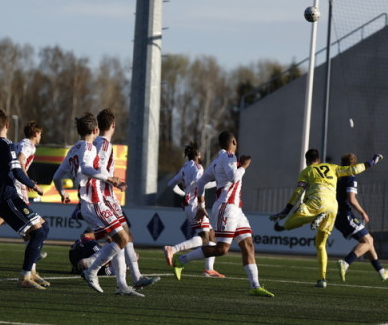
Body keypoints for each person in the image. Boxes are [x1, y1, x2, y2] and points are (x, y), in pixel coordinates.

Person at [165, 131, 275, 297]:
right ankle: (182, 260)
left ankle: (255, 286)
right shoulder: (229, 156)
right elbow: (232, 177)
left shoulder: (217, 161)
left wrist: (201, 205)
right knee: (222, 249)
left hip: (236, 209)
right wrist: (243, 166)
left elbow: (201, 182)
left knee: (248, 245)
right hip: (226, 207)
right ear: (233, 141)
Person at [52, 112, 144, 297]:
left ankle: (121, 284)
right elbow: (86, 169)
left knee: (118, 239)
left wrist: (62, 192)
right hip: (94, 202)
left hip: (90, 202)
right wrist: (111, 178)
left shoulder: (72, 150)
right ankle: (91, 271)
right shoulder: (89, 148)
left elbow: (56, 176)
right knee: (123, 239)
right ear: (95, 130)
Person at [271, 148, 383, 288]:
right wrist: (371, 163)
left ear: (307, 161)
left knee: (288, 224)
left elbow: (299, 191)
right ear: (319, 160)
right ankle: (322, 279)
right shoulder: (333, 167)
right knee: (321, 245)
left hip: (316, 203)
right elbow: (353, 170)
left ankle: (314, 218)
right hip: (332, 208)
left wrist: (286, 210)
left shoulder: (306, 172)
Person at [0, 108, 50, 290]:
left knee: (43, 227)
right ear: (7, 125)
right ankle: (24, 276)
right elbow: (17, 171)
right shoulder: (7, 145)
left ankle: (31, 272)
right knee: (38, 233)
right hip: (9, 197)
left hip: (1, 197)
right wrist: (34, 186)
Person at [93, 109, 159, 290]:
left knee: (124, 235)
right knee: (121, 237)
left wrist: (114, 183)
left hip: (106, 194)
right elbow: (98, 169)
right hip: (104, 196)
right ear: (113, 125)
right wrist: (113, 181)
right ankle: (96, 270)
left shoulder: (98, 142)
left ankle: (130, 279)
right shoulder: (104, 144)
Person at [162, 141, 224, 278]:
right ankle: (173, 249)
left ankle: (209, 268)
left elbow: (171, 184)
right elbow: (201, 184)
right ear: (196, 154)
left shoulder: (184, 168)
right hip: (196, 205)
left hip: (188, 205)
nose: (201, 155)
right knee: (205, 238)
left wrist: (183, 194)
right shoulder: (198, 167)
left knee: (211, 235)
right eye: (200, 153)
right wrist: (218, 183)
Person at [335, 153, 388, 282]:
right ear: (354, 165)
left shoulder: (338, 176)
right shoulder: (350, 178)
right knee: (367, 242)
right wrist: (363, 212)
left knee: (369, 240)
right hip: (345, 215)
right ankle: (345, 263)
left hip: (337, 216)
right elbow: (351, 199)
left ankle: (381, 271)